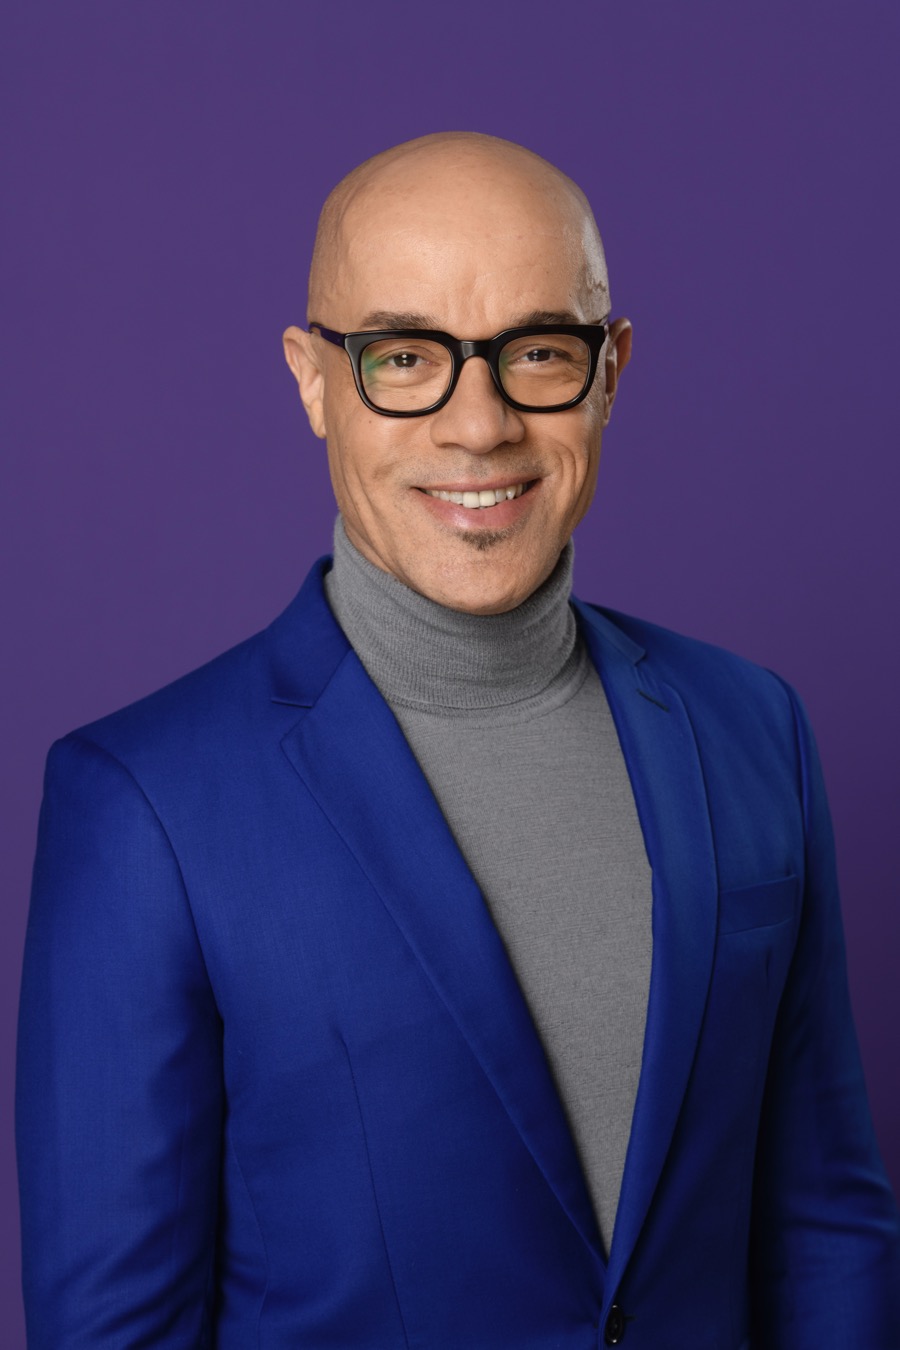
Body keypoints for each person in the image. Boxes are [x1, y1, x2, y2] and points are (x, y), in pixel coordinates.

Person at [16, 132, 900, 1349]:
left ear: (610, 370)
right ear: (313, 379)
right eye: (405, 358)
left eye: (537, 352)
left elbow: (825, 1226)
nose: (478, 425)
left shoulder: (755, 731)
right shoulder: (142, 803)